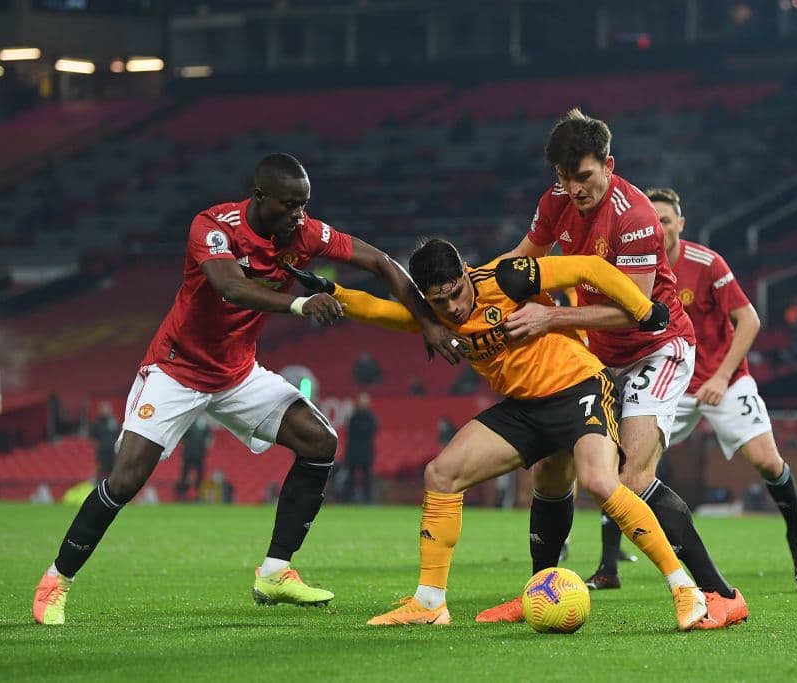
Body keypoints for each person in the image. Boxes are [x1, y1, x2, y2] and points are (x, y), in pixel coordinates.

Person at [31, 153, 459, 626]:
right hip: (177, 370)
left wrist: (427, 323)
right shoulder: (214, 227)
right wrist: (300, 304)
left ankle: (275, 571)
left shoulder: (303, 233)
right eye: (290, 204)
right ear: (260, 198)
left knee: (320, 441)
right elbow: (229, 287)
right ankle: (55, 581)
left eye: (305, 204)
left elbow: (379, 261)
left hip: (237, 373)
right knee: (126, 479)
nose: (299, 215)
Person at [289, 238, 709, 630]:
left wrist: (641, 308)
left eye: (456, 293)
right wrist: (333, 292)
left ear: (465, 272)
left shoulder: (507, 277)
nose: (452, 307)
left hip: (577, 386)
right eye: (439, 300)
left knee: (600, 480)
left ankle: (685, 589)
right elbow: (381, 310)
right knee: (442, 473)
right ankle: (431, 602)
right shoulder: (434, 316)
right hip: (524, 408)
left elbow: (589, 267)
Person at [476, 109, 746, 629]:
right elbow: (520, 261)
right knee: (551, 468)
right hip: (597, 353)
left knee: (632, 478)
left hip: (656, 347)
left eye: (584, 177)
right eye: (563, 178)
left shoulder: (636, 217)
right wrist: (468, 290)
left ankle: (722, 593)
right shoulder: (555, 202)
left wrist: (550, 318)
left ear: (608, 165)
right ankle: (540, 590)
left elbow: (636, 309)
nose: (574, 189)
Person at [581, 187, 797, 591]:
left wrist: (722, 377)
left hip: (721, 379)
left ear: (680, 224)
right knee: (624, 466)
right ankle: (608, 566)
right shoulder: (629, 263)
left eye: (666, 220)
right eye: (652, 219)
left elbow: (749, 320)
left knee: (766, 461)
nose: (658, 226)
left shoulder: (706, 263)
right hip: (666, 377)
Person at [341, 392, 378, 503]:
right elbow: (350, 431)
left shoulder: (371, 418)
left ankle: (367, 498)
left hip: (365, 451)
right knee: (351, 476)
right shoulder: (353, 417)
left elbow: (372, 430)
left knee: (366, 476)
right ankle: (348, 498)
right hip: (354, 451)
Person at [176, 414, 213, 501]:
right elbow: (182, 437)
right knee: (184, 475)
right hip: (188, 453)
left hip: (199, 454)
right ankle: (183, 495)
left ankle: (198, 496)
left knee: (199, 476)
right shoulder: (188, 423)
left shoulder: (205, 425)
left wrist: (206, 448)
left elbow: (209, 440)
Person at [88, 401, 120, 482]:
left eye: (108, 409)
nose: (106, 411)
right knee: (100, 472)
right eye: (104, 409)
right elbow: (92, 437)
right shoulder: (97, 423)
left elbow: (118, 434)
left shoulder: (114, 422)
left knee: (112, 473)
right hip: (102, 452)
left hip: (112, 452)